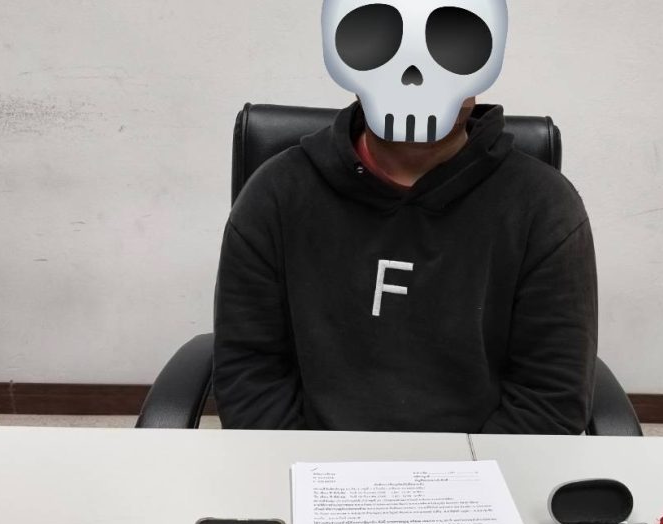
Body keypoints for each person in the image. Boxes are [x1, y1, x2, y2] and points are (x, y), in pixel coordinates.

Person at [212, 95, 598, 434]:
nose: (417, 77)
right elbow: (249, 376)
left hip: (481, 470)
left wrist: (467, 480)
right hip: (311, 467)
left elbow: (550, 397)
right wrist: (305, 469)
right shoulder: (277, 194)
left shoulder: (543, 206)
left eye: (446, 47)